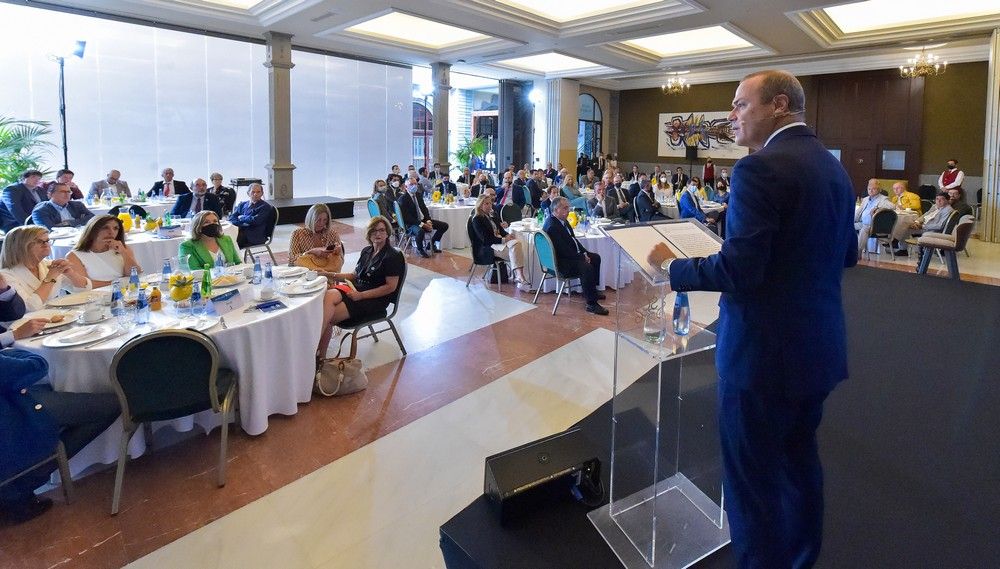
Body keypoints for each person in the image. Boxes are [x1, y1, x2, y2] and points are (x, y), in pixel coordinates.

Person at [647, 70, 856, 569]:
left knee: (752, 483)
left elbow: (740, 270)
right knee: (800, 462)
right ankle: (802, 558)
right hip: (818, 348)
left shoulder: (758, 170)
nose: (731, 115)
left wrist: (671, 266)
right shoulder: (832, 168)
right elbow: (845, 254)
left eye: (741, 104)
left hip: (762, 358)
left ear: (778, 105)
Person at [0, 348, 120, 525]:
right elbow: (36, 365)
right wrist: (13, 360)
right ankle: (18, 486)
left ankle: (17, 485)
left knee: (50, 388)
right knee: (113, 404)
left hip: (11, 402)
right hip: (13, 416)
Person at [317, 215, 403, 360]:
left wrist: (361, 296)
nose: (378, 234)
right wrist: (329, 274)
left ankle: (318, 356)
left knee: (329, 317)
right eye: (374, 231)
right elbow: (354, 275)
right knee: (328, 296)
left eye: (382, 230)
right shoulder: (367, 251)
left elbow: (390, 288)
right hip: (356, 290)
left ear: (387, 233)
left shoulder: (393, 256)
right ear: (369, 234)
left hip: (374, 300)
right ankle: (316, 352)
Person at [542, 197, 608, 315]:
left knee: (595, 258)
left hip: (568, 256)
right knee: (586, 267)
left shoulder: (562, 220)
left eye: (568, 207)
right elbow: (563, 251)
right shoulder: (552, 226)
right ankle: (591, 304)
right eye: (565, 208)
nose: (569, 210)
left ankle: (591, 290)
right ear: (556, 210)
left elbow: (573, 241)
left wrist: (585, 252)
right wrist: (582, 257)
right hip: (561, 262)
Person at [0, 225, 90, 311]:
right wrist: (50, 278)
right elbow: (28, 308)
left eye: (47, 240)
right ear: (20, 246)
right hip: (24, 324)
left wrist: (70, 273)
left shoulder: (49, 265)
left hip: (55, 317)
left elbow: (85, 289)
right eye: (39, 241)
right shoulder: (6, 276)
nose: (46, 244)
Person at [471, 195, 530, 292]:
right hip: (487, 248)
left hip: (498, 243)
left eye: (490, 203)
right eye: (486, 203)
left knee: (518, 245)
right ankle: (521, 277)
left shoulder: (492, 216)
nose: (489, 206)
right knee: (519, 250)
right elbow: (485, 239)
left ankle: (520, 277)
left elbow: (501, 231)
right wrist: (503, 240)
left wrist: (507, 235)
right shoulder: (477, 219)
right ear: (480, 205)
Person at [64, 215, 141, 289]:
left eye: (115, 228)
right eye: (105, 228)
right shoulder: (74, 256)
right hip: (93, 297)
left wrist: (124, 253)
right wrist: (119, 283)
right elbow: (84, 285)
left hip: (126, 292)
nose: (111, 232)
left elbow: (135, 275)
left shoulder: (123, 248)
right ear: (92, 230)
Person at [397, 179, 448, 257]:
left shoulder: (418, 195)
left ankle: (431, 244)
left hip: (423, 220)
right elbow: (407, 218)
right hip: (411, 224)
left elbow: (424, 209)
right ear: (406, 187)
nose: (414, 186)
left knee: (444, 225)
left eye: (415, 184)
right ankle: (420, 249)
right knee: (420, 231)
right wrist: (422, 224)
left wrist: (428, 221)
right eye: (411, 184)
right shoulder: (403, 199)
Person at [288, 203, 344, 270]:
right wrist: (310, 252)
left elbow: (341, 260)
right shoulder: (298, 234)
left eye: (325, 220)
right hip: (306, 272)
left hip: (328, 271)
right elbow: (291, 261)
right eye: (318, 220)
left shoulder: (333, 234)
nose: (321, 223)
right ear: (311, 219)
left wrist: (337, 253)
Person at [228, 183, 275, 249]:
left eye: (258, 192)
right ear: (248, 193)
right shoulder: (242, 204)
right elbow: (232, 217)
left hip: (254, 235)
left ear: (262, 193)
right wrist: (242, 223)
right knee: (223, 237)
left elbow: (256, 221)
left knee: (230, 242)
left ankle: (234, 258)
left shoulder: (265, 207)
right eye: (253, 192)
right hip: (241, 230)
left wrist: (242, 217)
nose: (255, 194)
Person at [30, 183, 95, 229]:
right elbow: (49, 229)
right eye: (63, 192)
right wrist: (80, 221)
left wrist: (69, 222)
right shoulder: (40, 211)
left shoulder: (77, 205)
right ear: (50, 194)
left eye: (69, 192)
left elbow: (92, 218)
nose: (67, 194)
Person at [855, 178, 892, 257]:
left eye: (874, 189)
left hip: (874, 225)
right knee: (845, 226)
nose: (871, 191)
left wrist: (878, 208)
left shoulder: (883, 199)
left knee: (864, 229)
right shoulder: (865, 199)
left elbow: (892, 206)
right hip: (862, 223)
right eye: (869, 189)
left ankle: (858, 251)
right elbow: (858, 212)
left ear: (879, 190)